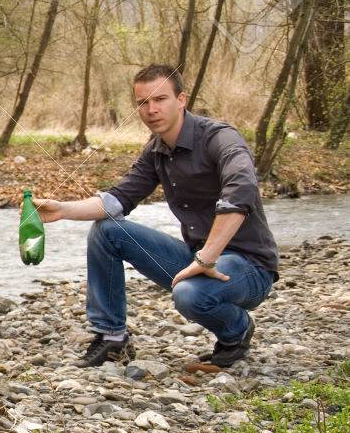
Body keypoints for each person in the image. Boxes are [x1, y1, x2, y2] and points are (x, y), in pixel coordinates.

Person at [35, 63, 278, 369]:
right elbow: (118, 200)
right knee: (107, 231)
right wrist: (62, 210)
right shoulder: (156, 151)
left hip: (250, 267)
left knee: (188, 294)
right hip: (197, 258)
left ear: (181, 99)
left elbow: (241, 190)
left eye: (160, 99)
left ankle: (236, 330)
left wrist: (207, 257)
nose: (151, 109)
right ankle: (112, 338)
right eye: (142, 103)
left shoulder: (220, 138)